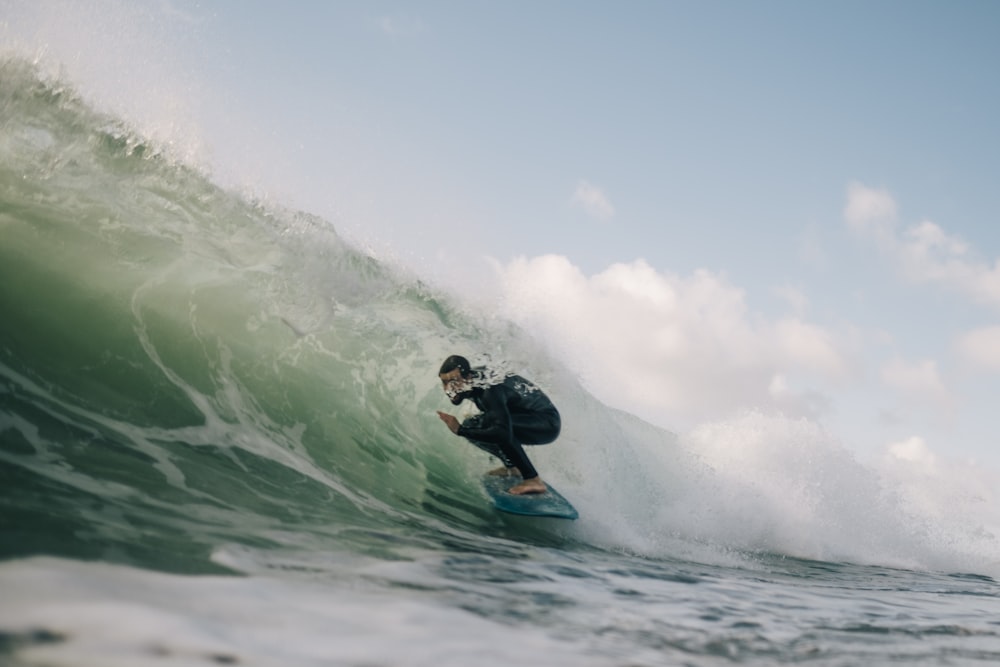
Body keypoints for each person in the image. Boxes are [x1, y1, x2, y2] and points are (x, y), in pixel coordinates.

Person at [436, 355, 561, 495]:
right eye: (444, 382)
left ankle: (533, 479)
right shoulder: (470, 382)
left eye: (453, 381)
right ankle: (514, 468)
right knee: (473, 423)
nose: (448, 388)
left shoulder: (489, 390)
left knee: (491, 425)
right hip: (524, 418)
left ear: (468, 377)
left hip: (546, 424)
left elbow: (502, 432)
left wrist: (460, 430)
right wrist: (466, 428)